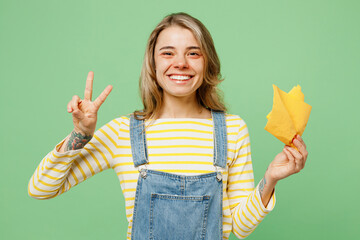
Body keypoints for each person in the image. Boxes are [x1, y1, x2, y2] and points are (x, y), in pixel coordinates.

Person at [28, 12, 308, 240]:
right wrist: (80, 135)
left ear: (207, 62)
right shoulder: (122, 132)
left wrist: (270, 179)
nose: (181, 63)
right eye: (168, 53)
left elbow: (240, 227)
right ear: (152, 63)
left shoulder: (232, 130)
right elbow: (41, 188)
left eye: (193, 53)